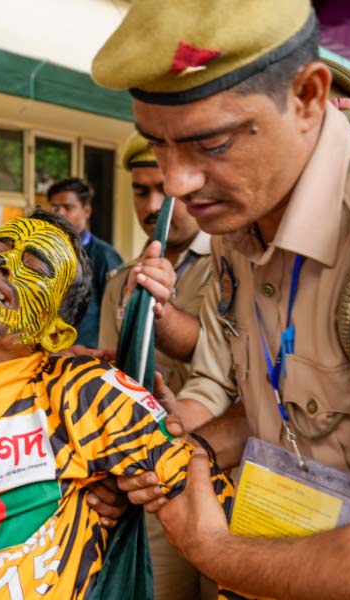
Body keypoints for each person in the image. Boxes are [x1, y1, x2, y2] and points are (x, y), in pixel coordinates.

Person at [92, 1, 350, 598]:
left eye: (210, 144)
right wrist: (191, 452)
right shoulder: (238, 218)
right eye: (158, 144)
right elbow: (293, 400)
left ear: (308, 97)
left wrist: (214, 552)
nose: (175, 183)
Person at [0, 210, 234, 599]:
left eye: (34, 266)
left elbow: (212, 516)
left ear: (56, 333)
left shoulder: (86, 396)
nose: (2, 263)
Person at [99, 132, 229, 600]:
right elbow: (122, 378)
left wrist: (161, 311)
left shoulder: (227, 266)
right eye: (140, 190)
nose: (152, 204)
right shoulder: (122, 280)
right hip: (148, 482)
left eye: (162, 189)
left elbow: (218, 361)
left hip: (221, 469)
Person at [47, 177, 122, 348]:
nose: (59, 213)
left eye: (68, 207)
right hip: (50, 353)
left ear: (86, 211)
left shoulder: (104, 256)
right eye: (55, 207)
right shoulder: (47, 253)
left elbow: (117, 313)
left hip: (88, 358)